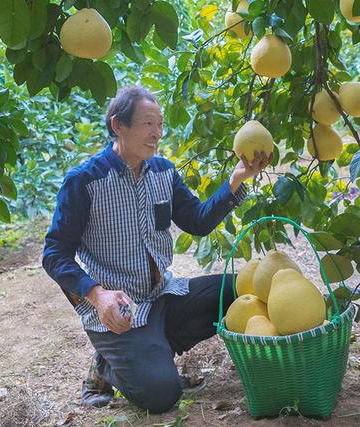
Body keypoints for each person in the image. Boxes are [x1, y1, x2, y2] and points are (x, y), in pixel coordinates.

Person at [42, 85, 271, 413]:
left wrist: (236, 180)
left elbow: (197, 221)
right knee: (162, 394)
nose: (157, 133)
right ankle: (109, 363)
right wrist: (97, 295)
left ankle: (150, 349)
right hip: (119, 311)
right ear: (118, 125)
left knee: (238, 292)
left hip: (164, 295)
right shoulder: (84, 182)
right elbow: (54, 254)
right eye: (148, 124)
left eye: (160, 125)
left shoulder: (163, 172)